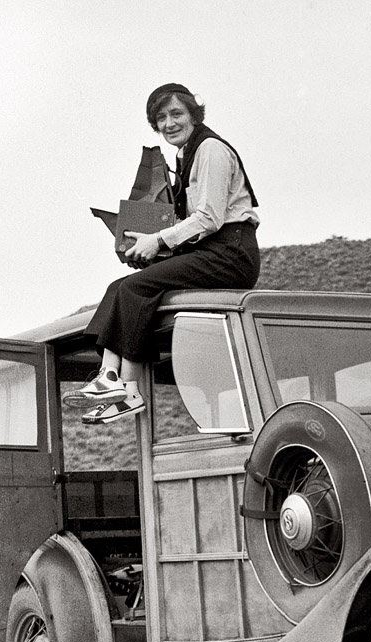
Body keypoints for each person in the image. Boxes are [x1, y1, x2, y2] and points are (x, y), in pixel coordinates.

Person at [81, 83, 261, 423]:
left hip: (231, 252)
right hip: (211, 249)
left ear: (193, 114)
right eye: (160, 118)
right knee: (121, 287)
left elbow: (209, 217)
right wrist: (146, 244)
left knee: (137, 288)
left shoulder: (210, 149)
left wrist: (159, 241)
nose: (169, 123)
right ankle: (117, 383)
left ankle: (119, 385)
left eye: (176, 113)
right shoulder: (186, 155)